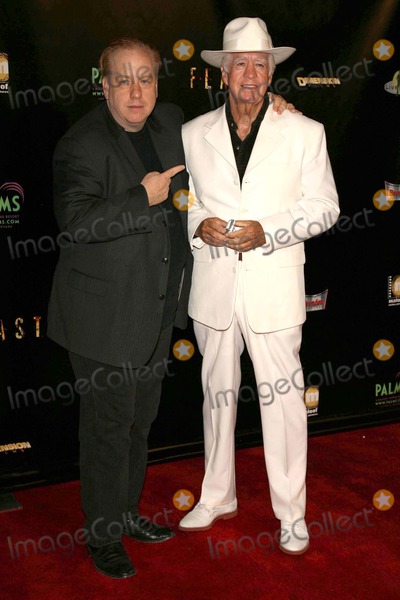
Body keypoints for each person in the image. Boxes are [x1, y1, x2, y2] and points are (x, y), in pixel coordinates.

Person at [46, 36, 293, 579]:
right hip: (102, 319)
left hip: (157, 310)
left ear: (158, 84)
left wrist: (272, 104)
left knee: (138, 423)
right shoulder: (80, 144)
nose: (136, 92)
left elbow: (228, 123)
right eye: (123, 79)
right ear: (104, 85)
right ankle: (103, 535)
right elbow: (76, 224)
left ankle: (125, 513)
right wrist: (143, 197)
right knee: (108, 430)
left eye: (146, 78)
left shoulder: (172, 122)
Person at [178, 17, 340, 556]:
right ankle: (217, 495)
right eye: (241, 64)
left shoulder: (305, 131)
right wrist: (198, 223)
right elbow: (189, 200)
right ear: (223, 72)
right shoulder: (192, 133)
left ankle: (292, 513)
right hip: (215, 286)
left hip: (274, 288)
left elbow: (325, 207)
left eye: (260, 64)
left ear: (272, 73)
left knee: (285, 404)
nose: (251, 74)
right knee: (216, 397)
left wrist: (267, 231)